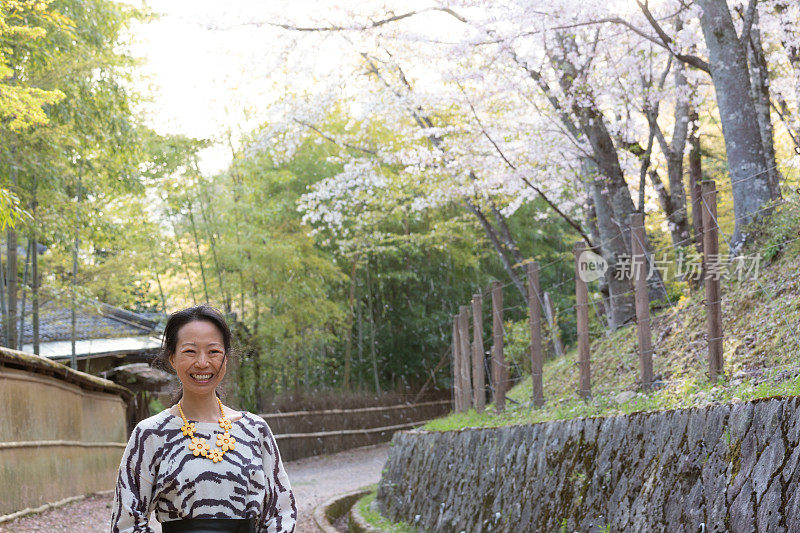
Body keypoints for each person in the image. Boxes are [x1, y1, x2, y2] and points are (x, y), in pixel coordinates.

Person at [110, 304, 296, 533]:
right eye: (190, 351)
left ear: (226, 359)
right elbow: (126, 523)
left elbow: (281, 513)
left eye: (213, 352)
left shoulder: (255, 430)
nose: (202, 363)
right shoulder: (150, 434)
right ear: (172, 358)